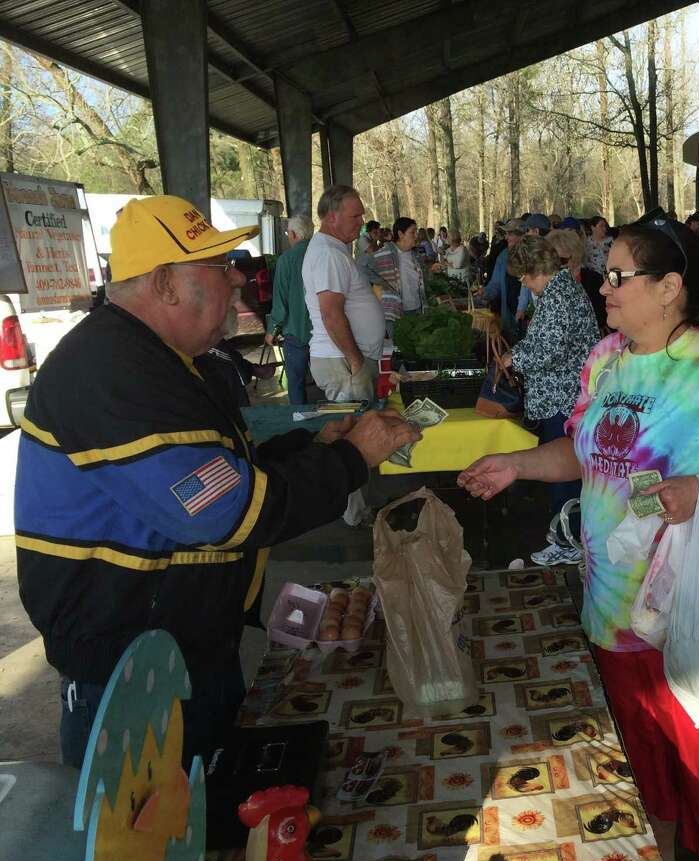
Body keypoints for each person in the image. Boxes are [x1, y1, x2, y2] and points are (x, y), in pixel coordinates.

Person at [458, 214, 699, 861]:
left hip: (697, 606)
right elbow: (582, 455)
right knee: (644, 757)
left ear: (671, 287)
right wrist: (517, 465)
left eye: (619, 276)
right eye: (606, 272)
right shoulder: (606, 359)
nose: (604, 287)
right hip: (614, 600)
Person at [16, 195, 421, 768]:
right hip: (129, 661)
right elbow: (229, 512)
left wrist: (313, 447)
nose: (236, 276)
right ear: (165, 284)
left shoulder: (168, 358)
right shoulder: (111, 371)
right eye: (216, 264)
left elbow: (222, 469)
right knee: (158, 837)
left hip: (181, 640)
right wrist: (352, 459)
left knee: (212, 804)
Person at [502, 235, 600, 566]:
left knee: (562, 473)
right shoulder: (561, 291)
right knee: (567, 470)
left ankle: (568, 540)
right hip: (565, 395)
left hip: (564, 398)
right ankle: (570, 534)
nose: (522, 283)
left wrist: (512, 358)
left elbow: (547, 351)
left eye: (522, 276)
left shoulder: (559, 296)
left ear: (534, 270)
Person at [303, 184, 389, 526]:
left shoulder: (334, 251)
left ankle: (354, 508)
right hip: (344, 364)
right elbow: (331, 314)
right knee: (351, 439)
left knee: (350, 434)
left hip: (346, 362)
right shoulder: (328, 254)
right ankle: (354, 514)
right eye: (355, 215)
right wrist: (355, 360)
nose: (361, 221)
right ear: (332, 216)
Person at [266, 214, 314, 405]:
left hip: (296, 333)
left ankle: (300, 421)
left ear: (293, 234)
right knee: (330, 383)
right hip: (324, 332)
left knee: (296, 382)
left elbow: (280, 304)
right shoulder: (323, 255)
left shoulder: (285, 260)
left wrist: (272, 331)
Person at [546, 227, 607, 335]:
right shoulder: (548, 282)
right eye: (551, 260)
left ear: (575, 257)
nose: (556, 265)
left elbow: (601, 316)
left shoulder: (594, 280)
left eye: (561, 260)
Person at [371, 217, 425, 321]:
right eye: (412, 232)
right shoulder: (384, 255)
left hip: (417, 307)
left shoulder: (415, 255)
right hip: (395, 313)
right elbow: (363, 268)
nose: (416, 236)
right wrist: (379, 283)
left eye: (416, 232)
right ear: (401, 234)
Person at [482, 218, 525, 336]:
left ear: (522, 235)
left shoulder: (533, 257)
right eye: (506, 234)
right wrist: (485, 293)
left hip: (530, 317)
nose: (506, 238)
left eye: (510, 234)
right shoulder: (503, 256)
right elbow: (495, 284)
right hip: (509, 317)